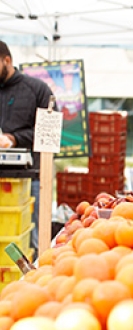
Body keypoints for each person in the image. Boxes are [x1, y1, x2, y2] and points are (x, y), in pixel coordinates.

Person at [0, 40, 56, 259]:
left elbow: (50, 136)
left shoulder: (37, 90)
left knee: (32, 235)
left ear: (7, 60)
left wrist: (13, 139)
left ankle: (33, 280)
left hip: (30, 179)